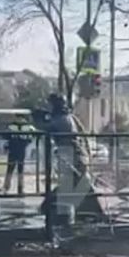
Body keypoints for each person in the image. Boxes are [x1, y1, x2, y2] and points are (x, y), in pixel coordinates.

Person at [40, 93, 105, 222]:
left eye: (50, 104)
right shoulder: (68, 117)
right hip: (73, 154)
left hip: (73, 154)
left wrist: (39, 120)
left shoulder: (62, 119)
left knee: (78, 182)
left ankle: (95, 212)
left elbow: (48, 128)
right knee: (75, 182)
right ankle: (51, 206)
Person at [3, 114, 35, 194]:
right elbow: (31, 137)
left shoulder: (11, 126)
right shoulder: (28, 127)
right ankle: (18, 188)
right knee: (18, 169)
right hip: (20, 150)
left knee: (11, 169)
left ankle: (8, 187)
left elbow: (6, 136)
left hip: (14, 150)